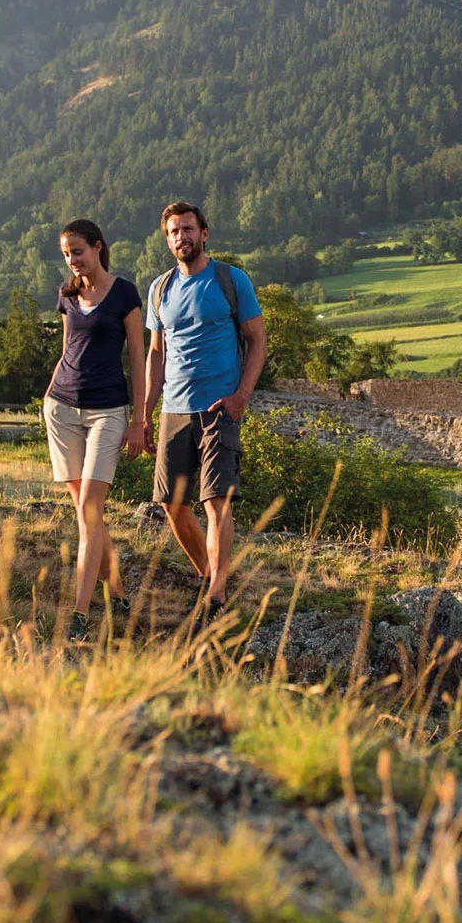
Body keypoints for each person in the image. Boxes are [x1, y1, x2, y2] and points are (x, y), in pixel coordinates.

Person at [144, 201, 265, 614]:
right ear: (167, 239)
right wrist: (145, 411)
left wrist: (241, 396)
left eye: (188, 229)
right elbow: (156, 353)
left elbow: (258, 342)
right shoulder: (159, 289)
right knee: (171, 504)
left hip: (219, 409)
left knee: (216, 501)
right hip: (173, 410)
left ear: (204, 233)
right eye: (174, 231)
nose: (182, 237)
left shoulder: (231, 280)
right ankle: (206, 574)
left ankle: (216, 594)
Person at [42, 219, 146, 643]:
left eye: (78, 251)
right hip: (61, 408)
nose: (72, 260)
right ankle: (117, 589)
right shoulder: (68, 294)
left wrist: (139, 420)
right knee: (89, 514)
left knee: (89, 511)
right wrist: (49, 399)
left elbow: (138, 358)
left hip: (108, 412)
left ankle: (80, 615)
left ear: (98, 247)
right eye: (66, 254)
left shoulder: (124, 293)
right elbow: (68, 349)